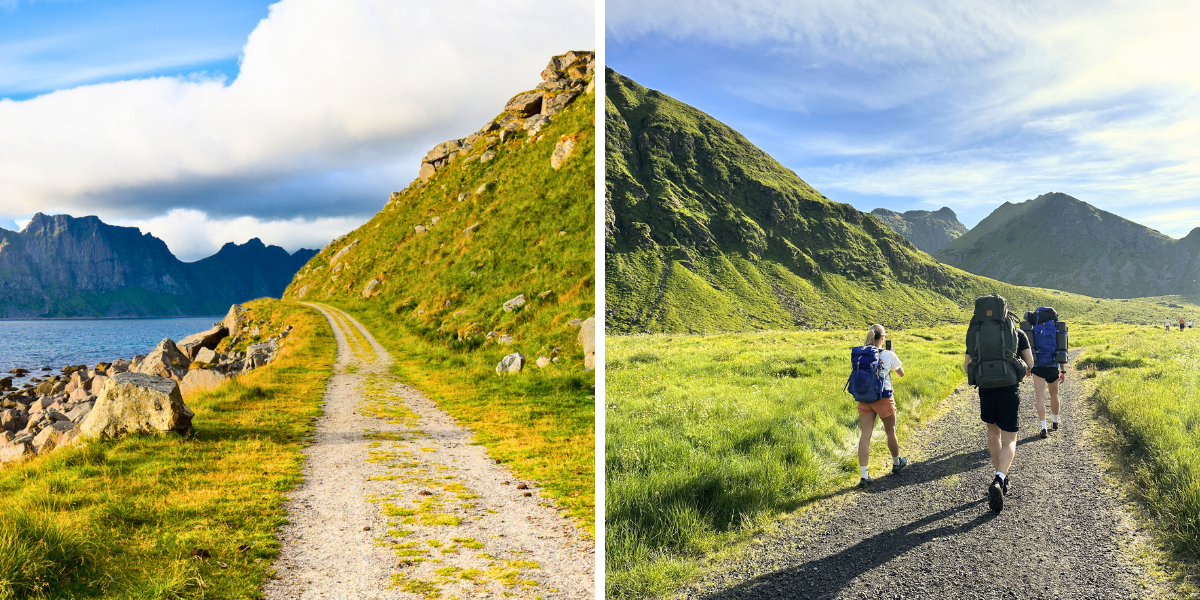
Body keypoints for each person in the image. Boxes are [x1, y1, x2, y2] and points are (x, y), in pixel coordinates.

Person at [964, 300, 1035, 513]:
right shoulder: (1016, 332)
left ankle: (1000, 477)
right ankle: (1000, 478)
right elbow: (1030, 364)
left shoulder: (975, 332)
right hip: (1009, 389)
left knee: (993, 434)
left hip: (986, 388)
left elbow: (966, 366)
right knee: (1010, 439)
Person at [856, 324, 907, 486]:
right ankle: (896, 462)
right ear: (883, 338)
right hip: (883, 397)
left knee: (865, 436)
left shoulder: (861, 354)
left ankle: (864, 476)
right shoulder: (887, 354)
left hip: (864, 398)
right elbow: (901, 373)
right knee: (890, 431)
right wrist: (893, 354)